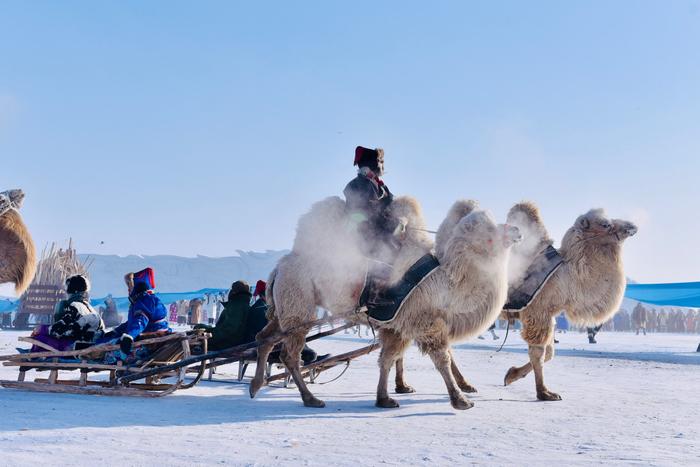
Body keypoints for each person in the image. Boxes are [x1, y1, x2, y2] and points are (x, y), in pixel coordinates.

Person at [247, 280, 327, 364]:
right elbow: (263, 332)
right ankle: (309, 357)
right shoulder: (262, 309)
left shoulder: (262, 306)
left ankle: (310, 355)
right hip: (262, 346)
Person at [29, 274, 105, 352]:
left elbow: (60, 331)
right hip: (89, 344)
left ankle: (35, 358)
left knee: (40, 338)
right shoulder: (89, 307)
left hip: (76, 346)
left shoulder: (74, 306)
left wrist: (42, 329)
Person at [105, 267, 170, 357]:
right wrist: (116, 331)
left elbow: (141, 321)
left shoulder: (145, 300)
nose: (128, 290)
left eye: (130, 286)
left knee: (110, 344)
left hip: (152, 339)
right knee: (110, 338)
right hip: (153, 333)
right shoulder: (146, 299)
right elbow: (132, 322)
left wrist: (129, 336)